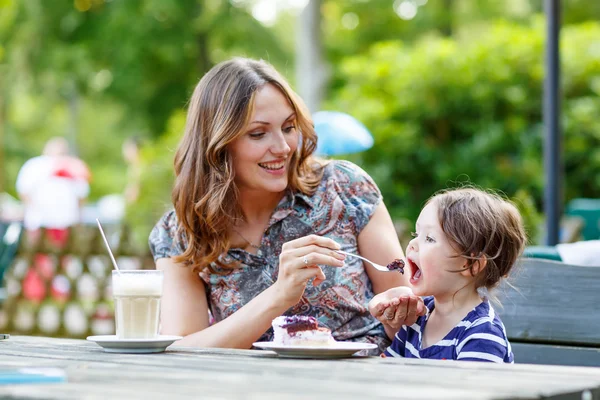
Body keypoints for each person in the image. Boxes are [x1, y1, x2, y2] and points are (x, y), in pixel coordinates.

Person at [148, 57, 425, 354]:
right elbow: (181, 349)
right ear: (217, 143)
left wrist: (402, 312)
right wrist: (279, 295)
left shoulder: (344, 187)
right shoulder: (181, 230)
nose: (282, 147)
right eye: (258, 133)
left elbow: (410, 316)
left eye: (289, 127)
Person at [370, 188, 526, 362]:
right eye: (416, 234)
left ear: (471, 265)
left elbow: (473, 389)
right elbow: (386, 373)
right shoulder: (416, 318)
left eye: (429, 238)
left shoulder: (481, 335)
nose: (413, 244)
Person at [16, 137, 90, 242]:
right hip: (40, 222)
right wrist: (36, 210)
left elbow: (82, 195)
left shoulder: (74, 166)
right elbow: (24, 191)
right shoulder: (35, 166)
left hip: (66, 221)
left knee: (62, 255)